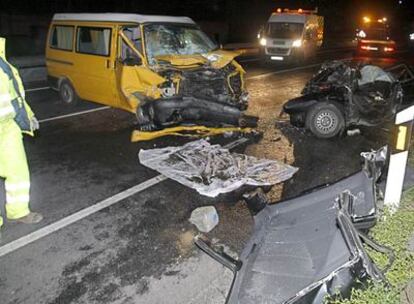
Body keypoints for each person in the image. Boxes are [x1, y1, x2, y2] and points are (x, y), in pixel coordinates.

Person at [0, 37, 42, 230]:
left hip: (7, 126)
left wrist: (29, 115)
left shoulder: (2, 62)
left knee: (18, 170)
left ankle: (18, 211)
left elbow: (14, 93)